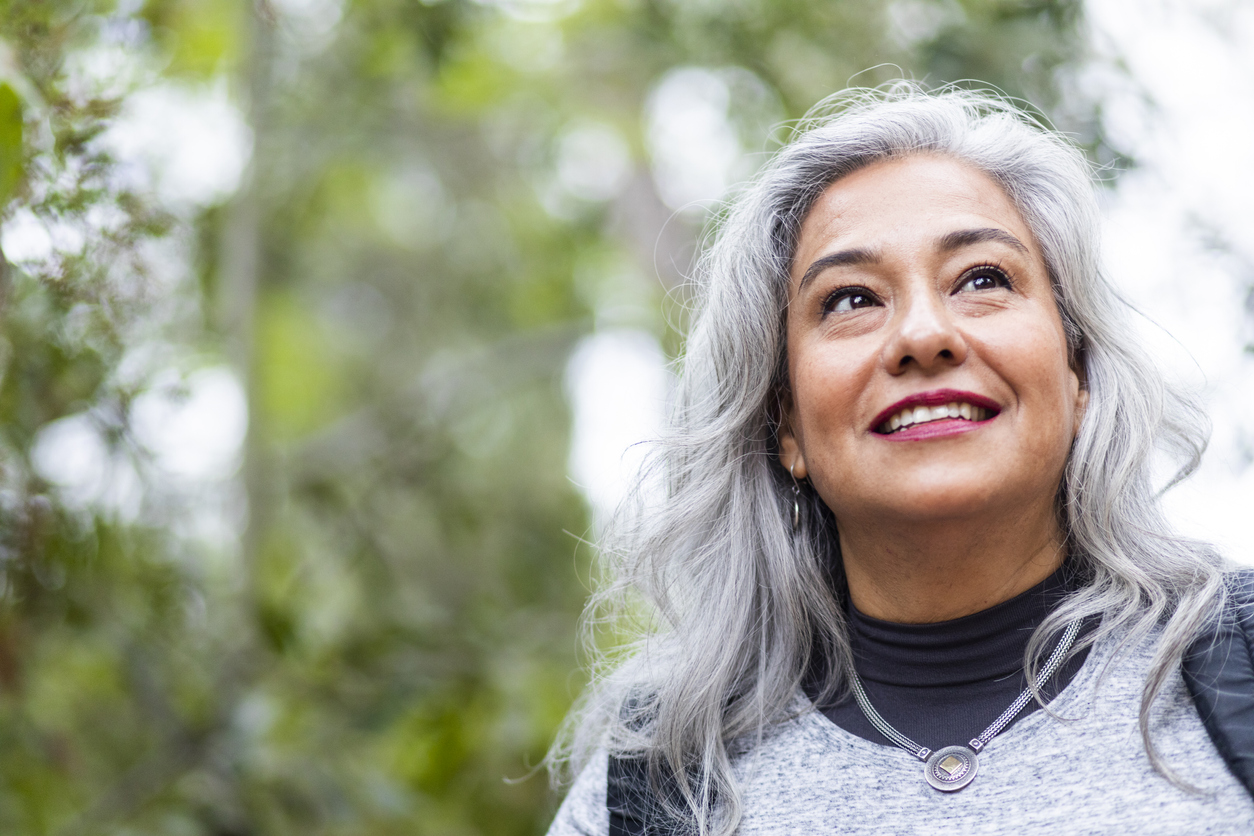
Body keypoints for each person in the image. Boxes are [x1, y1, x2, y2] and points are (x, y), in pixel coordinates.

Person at [546, 84, 1254, 835]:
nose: (923, 335)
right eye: (851, 300)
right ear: (785, 424)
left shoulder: (1236, 667)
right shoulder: (658, 777)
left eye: (982, 279)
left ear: (1077, 375)